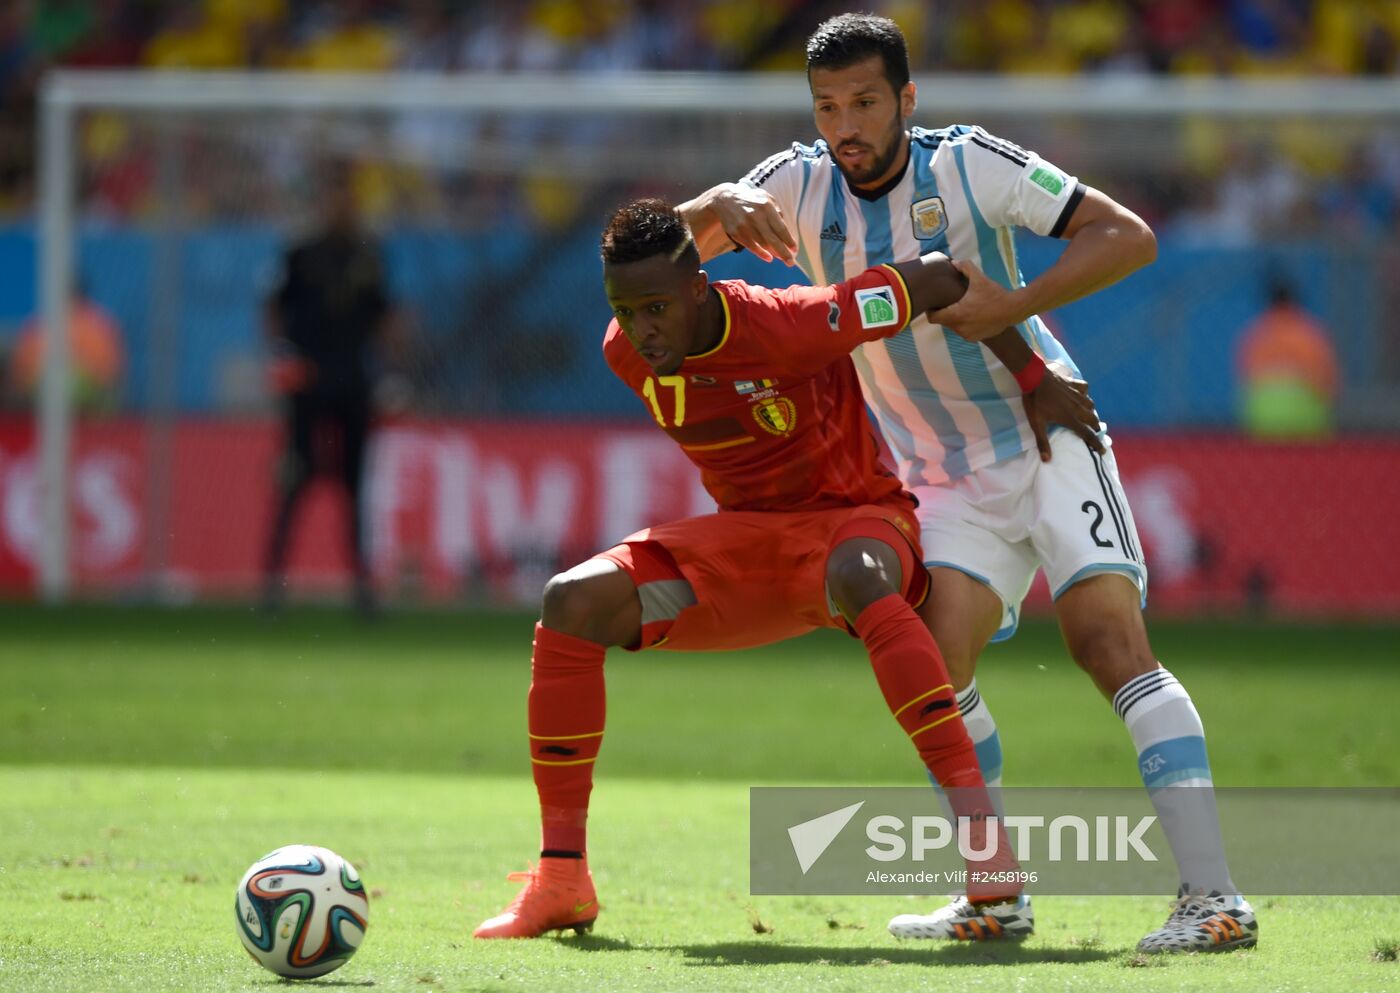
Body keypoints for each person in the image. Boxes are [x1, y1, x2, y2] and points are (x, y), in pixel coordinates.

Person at [679, 12, 1256, 954]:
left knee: (1106, 641)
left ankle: (1215, 898)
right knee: (931, 671)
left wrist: (1018, 304)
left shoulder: (970, 164)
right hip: (935, 478)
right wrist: (715, 202)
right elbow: (663, 266)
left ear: (907, 99)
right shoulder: (792, 185)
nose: (847, 124)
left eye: (866, 101)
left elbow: (1129, 236)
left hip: (1045, 436)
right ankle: (995, 895)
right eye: (829, 106)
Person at [472, 198, 1100, 940]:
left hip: (861, 524)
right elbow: (660, 249)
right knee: (571, 600)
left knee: (860, 575)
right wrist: (703, 207)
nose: (642, 329)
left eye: (656, 309)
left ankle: (988, 865)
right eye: (625, 310)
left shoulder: (797, 321)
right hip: (749, 549)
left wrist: (1033, 376)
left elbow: (938, 277)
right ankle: (562, 879)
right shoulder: (626, 350)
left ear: (698, 289)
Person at [262, 163, 396, 617]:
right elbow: (274, 310)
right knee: (294, 479)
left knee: (355, 487)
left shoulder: (368, 254)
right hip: (308, 385)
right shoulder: (300, 254)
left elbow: (383, 318)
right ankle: (271, 584)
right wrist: (281, 357)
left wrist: (394, 369)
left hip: (353, 384)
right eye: (333, 197)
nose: (341, 206)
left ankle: (361, 586)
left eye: (347, 197)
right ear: (323, 203)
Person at [1236, 276, 1339, 439]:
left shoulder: (1257, 333)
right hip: (1306, 419)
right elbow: (1330, 382)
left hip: (1262, 418)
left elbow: (1244, 375)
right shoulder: (1310, 333)